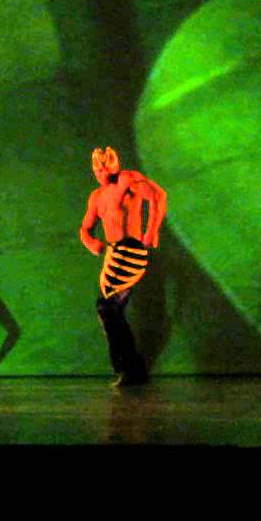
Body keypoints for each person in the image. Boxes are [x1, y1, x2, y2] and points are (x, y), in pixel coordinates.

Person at [79, 146, 167, 387]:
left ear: (114, 166)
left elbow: (158, 196)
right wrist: (91, 242)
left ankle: (129, 368)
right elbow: (85, 228)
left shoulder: (127, 180)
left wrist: (152, 230)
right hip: (113, 252)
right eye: (97, 170)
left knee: (108, 307)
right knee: (110, 310)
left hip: (131, 250)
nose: (101, 174)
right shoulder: (96, 197)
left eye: (104, 168)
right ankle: (131, 369)